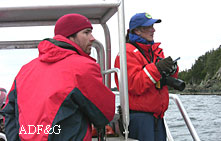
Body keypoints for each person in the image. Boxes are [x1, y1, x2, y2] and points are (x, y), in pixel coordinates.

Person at [1, 13, 115, 141]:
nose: (92, 38)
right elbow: (104, 114)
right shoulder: (83, 67)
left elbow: (9, 111)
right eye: (86, 32)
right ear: (70, 36)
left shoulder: (25, 70)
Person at [114, 13, 179, 141]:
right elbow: (134, 84)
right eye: (148, 27)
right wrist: (157, 68)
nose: (153, 30)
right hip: (140, 119)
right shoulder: (126, 52)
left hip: (157, 117)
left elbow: (161, 76)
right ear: (137, 31)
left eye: (153, 26)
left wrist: (173, 70)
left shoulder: (154, 51)